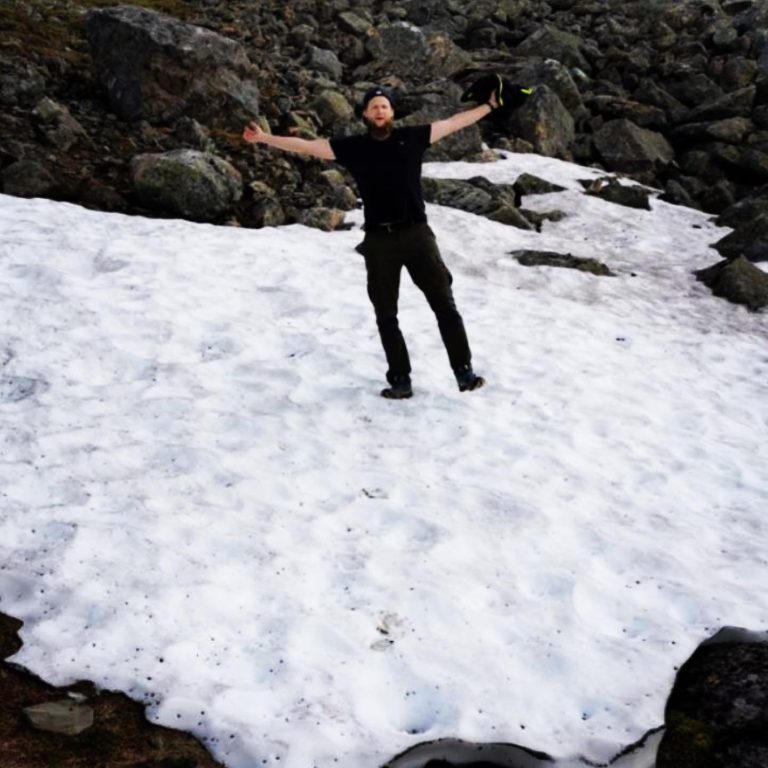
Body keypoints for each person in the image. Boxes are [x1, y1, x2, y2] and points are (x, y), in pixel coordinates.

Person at [243, 84, 499, 399]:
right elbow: (308, 146)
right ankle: (400, 380)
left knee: (444, 305)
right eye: (374, 106)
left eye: (384, 106)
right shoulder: (354, 147)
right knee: (386, 314)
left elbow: (454, 123)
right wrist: (265, 138)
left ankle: (464, 372)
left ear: (392, 112)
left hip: (418, 235)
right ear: (365, 114)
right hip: (379, 241)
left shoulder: (413, 137)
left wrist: (489, 106)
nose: (379, 110)